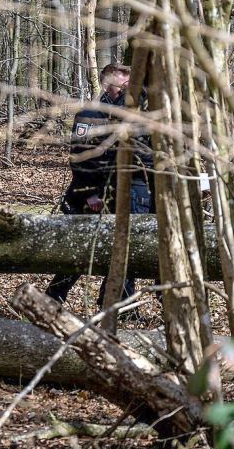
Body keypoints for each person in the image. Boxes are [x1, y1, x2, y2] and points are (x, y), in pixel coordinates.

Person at [45, 64, 154, 308]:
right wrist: (89, 193)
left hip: (130, 189)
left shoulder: (136, 110)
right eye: (122, 75)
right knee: (85, 249)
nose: (127, 79)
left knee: (127, 247)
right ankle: (53, 298)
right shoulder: (90, 113)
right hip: (94, 192)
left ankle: (117, 305)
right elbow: (81, 156)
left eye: (129, 74)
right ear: (108, 81)